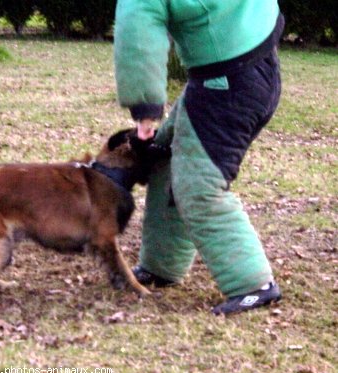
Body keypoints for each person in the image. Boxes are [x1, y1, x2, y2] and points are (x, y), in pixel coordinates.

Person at [114, 0, 284, 314]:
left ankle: (254, 286)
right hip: (256, 69)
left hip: (225, 85)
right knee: (164, 156)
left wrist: (145, 113)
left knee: (199, 186)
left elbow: (137, 37)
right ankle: (161, 265)